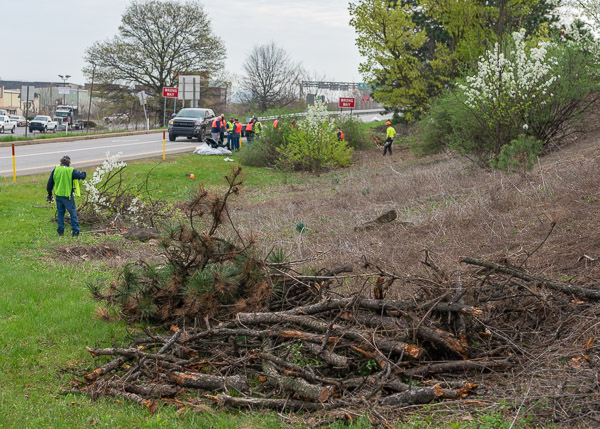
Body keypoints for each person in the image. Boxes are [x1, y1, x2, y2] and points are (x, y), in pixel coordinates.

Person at [46, 155, 87, 237]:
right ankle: (75, 231)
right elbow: (82, 176)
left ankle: (60, 231)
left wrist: (50, 193)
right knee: (72, 213)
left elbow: (49, 184)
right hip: (67, 196)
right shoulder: (70, 170)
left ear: (61, 162)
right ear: (69, 163)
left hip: (58, 195)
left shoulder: (56, 169)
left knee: (60, 214)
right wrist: (84, 172)